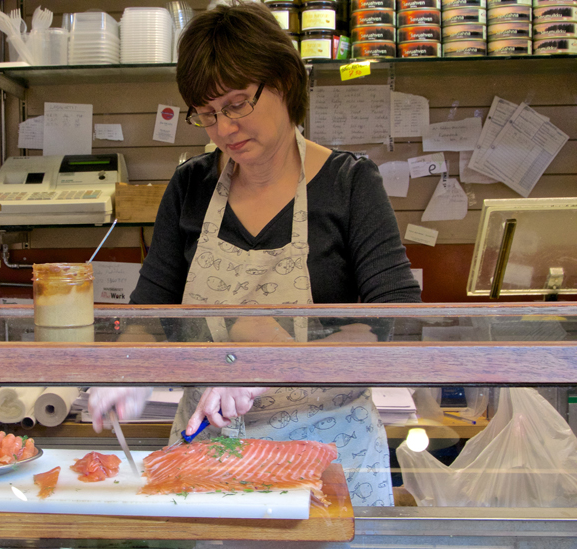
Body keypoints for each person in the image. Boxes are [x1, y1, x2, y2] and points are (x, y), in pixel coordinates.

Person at [89, 1, 422, 506]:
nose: (224, 128)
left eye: (238, 103)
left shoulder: (349, 183)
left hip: (330, 451)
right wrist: (129, 374)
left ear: (284, 82)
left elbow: (391, 319)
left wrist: (267, 363)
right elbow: (151, 313)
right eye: (208, 113)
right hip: (206, 451)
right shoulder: (190, 186)